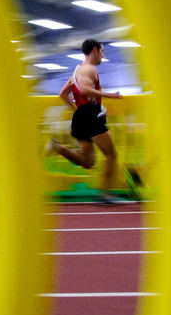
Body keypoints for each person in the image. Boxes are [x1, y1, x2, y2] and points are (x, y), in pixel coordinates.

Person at [45, 38, 126, 204]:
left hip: (81, 116)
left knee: (88, 162)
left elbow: (62, 94)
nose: (103, 56)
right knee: (111, 155)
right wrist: (110, 95)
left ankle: (57, 147)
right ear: (95, 51)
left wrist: (77, 109)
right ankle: (105, 194)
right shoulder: (90, 69)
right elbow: (85, 89)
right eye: (102, 52)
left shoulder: (77, 70)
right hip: (91, 116)